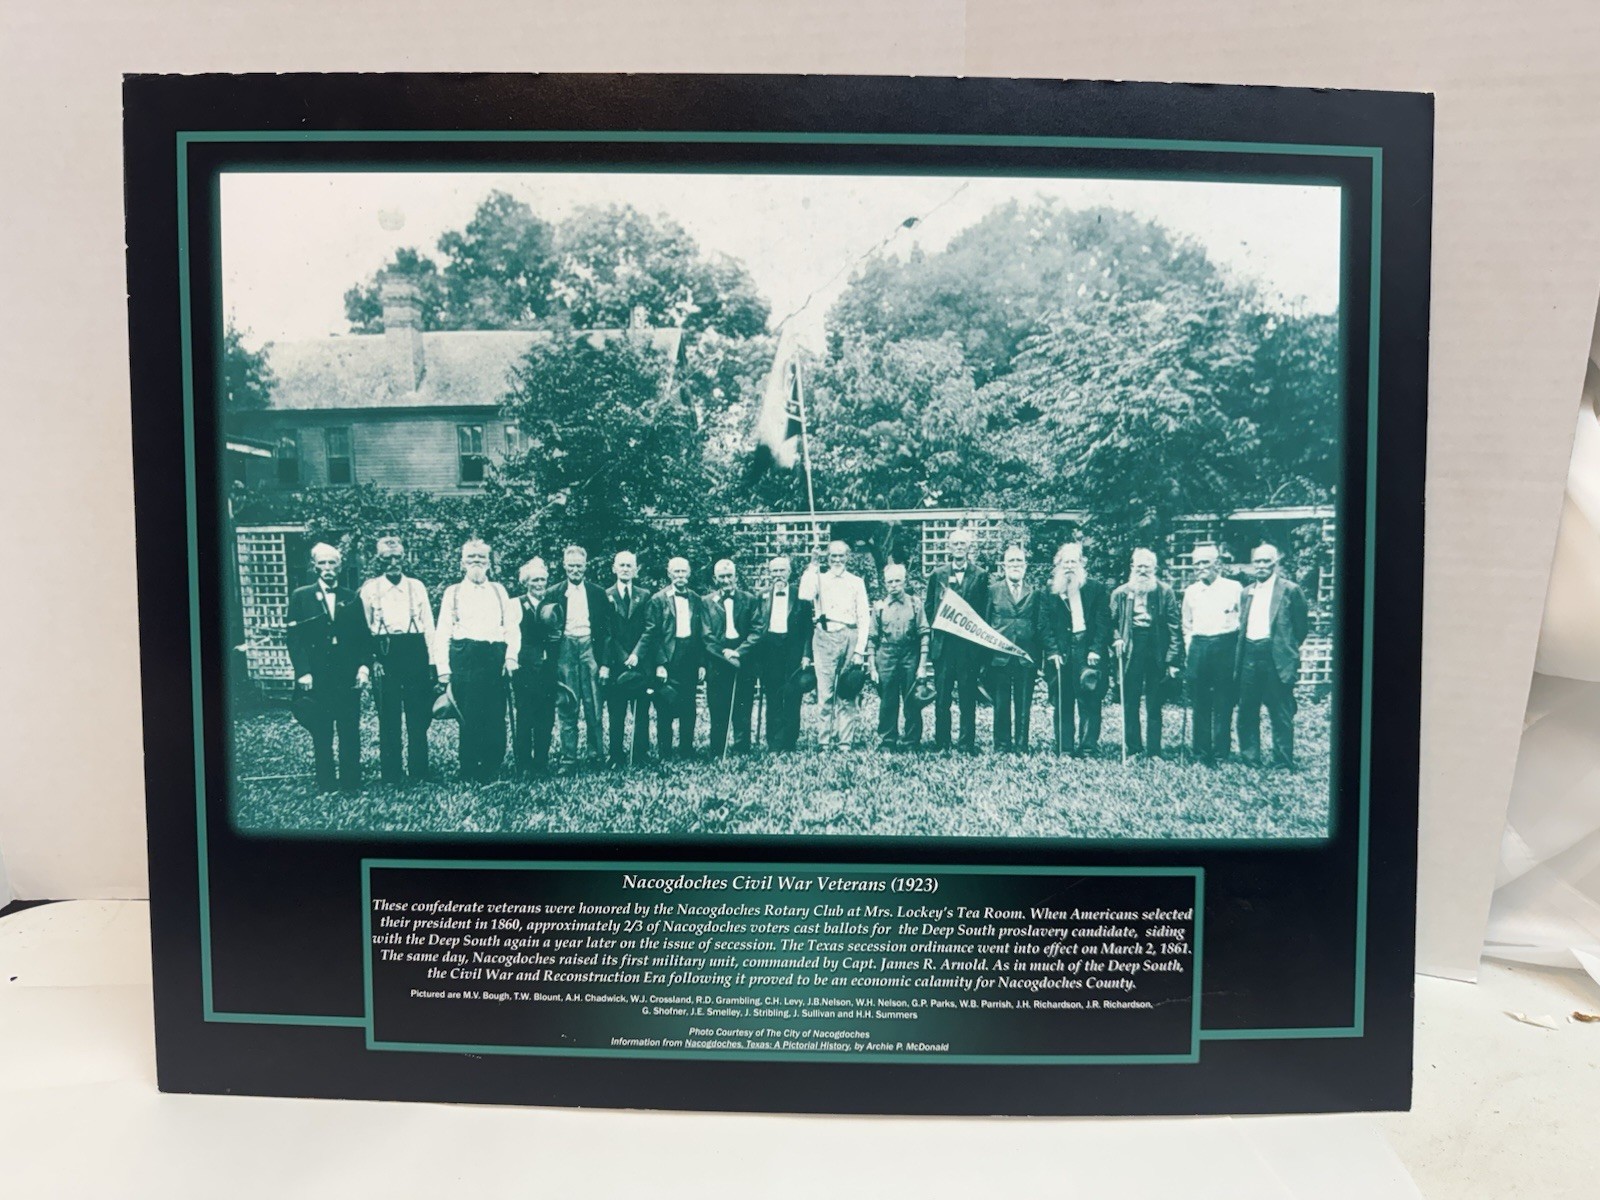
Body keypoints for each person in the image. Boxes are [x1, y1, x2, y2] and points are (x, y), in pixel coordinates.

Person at [285, 543, 372, 793]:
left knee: (349, 728)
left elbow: (363, 637)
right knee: (322, 730)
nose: (327, 568)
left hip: (346, 674)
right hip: (317, 674)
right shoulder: (301, 596)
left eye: (332, 562)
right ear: (314, 567)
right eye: (322, 563)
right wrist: (303, 671)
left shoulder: (351, 597)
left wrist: (363, 668)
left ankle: (351, 782)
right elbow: (294, 639)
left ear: (340, 566)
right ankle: (326, 783)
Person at [431, 539, 519, 782]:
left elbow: (512, 628)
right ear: (462, 563)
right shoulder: (453, 592)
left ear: (489, 563)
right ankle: (469, 767)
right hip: (465, 657)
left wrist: (511, 656)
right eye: (471, 558)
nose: (476, 562)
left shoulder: (499, 591)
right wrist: (443, 669)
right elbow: (443, 631)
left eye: (481, 558)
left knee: (495, 712)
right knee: (469, 713)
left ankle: (492, 764)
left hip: (494, 657)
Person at [357, 535, 436, 785]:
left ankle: (419, 771)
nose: (393, 562)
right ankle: (391, 774)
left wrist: (432, 662)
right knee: (388, 715)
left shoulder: (416, 587)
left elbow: (429, 626)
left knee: (418, 716)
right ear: (378, 560)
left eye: (397, 557)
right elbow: (363, 629)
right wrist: (372, 660)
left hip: (415, 652)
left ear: (404, 558)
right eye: (387, 558)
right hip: (385, 655)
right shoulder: (370, 589)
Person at [1236, 543, 1310, 770]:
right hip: (1249, 654)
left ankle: (1282, 760)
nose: (1261, 566)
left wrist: (1285, 649)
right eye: (1257, 561)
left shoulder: (1290, 590)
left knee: (1280, 711)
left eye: (1266, 561)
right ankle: (1250, 758)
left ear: (1275, 563)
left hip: (1275, 657)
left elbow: (1301, 628)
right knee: (1247, 710)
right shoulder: (1246, 592)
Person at [1110, 548, 1183, 759]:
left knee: (1155, 701)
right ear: (1132, 567)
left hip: (1157, 648)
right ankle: (1134, 748)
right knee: (1130, 700)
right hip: (1131, 648)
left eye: (1147, 567)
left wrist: (1172, 659)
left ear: (1154, 569)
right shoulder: (1120, 593)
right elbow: (1110, 623)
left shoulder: (1165, 592)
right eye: (1139, 566)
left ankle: (1154, 751)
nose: (1142, 570)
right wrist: (1116, 638)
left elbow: (1174, 627)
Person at [799, 541, 872, 749]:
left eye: (841, 556)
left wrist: (859, 650)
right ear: (827, 558)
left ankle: (845, 741)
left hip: (850, 635)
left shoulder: (856, 582)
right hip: (825, 637)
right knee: (825, 693)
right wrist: (813, 564)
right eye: (833, 556)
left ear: (847, 557)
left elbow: (863, 617)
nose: (837, 560)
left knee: (847, 691)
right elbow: (804, 594)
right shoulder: (819, 579)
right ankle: (824, 741)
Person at [1042, 541, 1111, 757]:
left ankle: (1088, 747)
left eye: (1073, 562)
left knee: (1090, 699)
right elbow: (1044, 625)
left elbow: (1103, 623)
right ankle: (1065, 748)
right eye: (1065, 562)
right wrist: (1052, 651)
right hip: (1061, 652)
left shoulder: (1096, 589)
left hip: (1087, 649)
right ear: (1058, 565)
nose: (1069, 566)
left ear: (1081, 564)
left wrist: (1096, 649)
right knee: (1062, 700)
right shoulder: (1050, 591)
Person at [925, 528, 990, 753]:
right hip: (944, 647)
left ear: (969, 547)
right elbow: (929, 607)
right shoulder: (937, 574)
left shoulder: (980, 575)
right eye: (955, 544)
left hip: (968, 649)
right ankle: (942, 742)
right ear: (949, 547)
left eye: (963, 543)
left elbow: (983, 612)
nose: (959, 547)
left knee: (967, 697)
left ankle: (966, 744)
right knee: (942, 698)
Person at [1182, 543, 1244, 766]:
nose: (1200, 567)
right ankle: (1200, 753)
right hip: (1199, 646)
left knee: (1223, 701)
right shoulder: (1191, 591)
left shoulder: (1234, 588)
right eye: (1196, 563)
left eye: (1205, 562)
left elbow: (1242, 620)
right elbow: (1187, 624)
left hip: (1225, 645)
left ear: (1216, 563)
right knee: (1200, 701)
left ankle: (1220, 753)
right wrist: (1190, 649)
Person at [638, 556, 706, 757]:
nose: (680, 575)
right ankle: (665, 750)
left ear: (689, 573)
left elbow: (701, 634)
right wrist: (660, 663)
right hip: (668, 657)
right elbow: (653, 635)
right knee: (664, 705)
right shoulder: (658, 599)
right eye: (676, 571)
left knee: (689, 705)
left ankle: (687, 749)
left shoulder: (696, 599)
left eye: (683, 571)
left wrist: (701, 663)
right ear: (669, 574)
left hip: (690, 657)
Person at [553, 545, 613, 770]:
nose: (575, 570)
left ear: (585, 566)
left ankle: (595, 755)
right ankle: (568, 758)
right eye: (571, 566)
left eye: (579, 566)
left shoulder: (597, 593)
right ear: (564, 566)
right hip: (566, 649)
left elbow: (607, 632)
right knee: (567, 704)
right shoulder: (554, 593)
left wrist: (605, 663)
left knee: (594, 704)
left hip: (590, 647)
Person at [748, 555, 813, 752]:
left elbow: (808, 629)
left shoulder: (800, 596)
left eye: (782, 570)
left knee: (793, 696)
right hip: (770, 653)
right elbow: (756, 628)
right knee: (773, 697)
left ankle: (790, 742)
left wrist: (806, 655)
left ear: (789, 572)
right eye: (774, 571)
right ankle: (774, 742)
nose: (778, 574)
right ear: (770, 573)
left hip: (793, 652)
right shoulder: (761, 596)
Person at [985, 544, 1046, 752]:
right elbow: (986, 622)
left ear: (1025, 566)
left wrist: (1038, 658)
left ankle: (1021, 745)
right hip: (999, 656)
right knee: (1001, 703)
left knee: (1023, 703)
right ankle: (1002, 745)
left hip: (1025, 656)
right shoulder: (993, 591)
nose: (1015, 565)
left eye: (1019, 561)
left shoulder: (1034, 592)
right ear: (1004, 565)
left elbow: (1039, 625)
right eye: (1011, 561)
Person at [702, 559, 761, 756]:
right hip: (717, 662)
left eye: (729, 576)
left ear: (736, 577)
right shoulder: (706, 602)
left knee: (743, 707)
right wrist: (724, 654)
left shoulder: (750, 600)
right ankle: (718, 750)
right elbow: (706, 636)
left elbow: (757, 630)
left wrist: (739, 652)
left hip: (743, 661)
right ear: (715, 579)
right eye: (722, 576)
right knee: (718, 707)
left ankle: (742, 749)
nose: (726, 580)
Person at [869, 562, 931, 749]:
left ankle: (912, 741)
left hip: (909, 653)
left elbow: (924, 634)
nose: (894, 585)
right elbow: (872, 638)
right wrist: (872, 666)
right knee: (888, 700)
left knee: (912, 700)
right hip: (886, 655)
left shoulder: (915, 604)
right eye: (890, 582)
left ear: (904, 581)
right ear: (885, 583)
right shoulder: (879, 607)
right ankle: (888, 740)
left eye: (897, 581)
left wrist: (922, 666)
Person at [511, 557, 563, 777]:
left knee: (546, 716)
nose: (540, 584)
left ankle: (541, 762)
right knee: (525, 715)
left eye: (542, 579)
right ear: (526, 582)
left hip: (547, 668)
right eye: (535, 580)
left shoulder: (551, 605)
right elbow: (511, 636)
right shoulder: (516, 604)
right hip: (524, 668)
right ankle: (524, 763)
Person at [603, 550, 651, 766]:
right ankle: (616, 755)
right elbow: (607, 633)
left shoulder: (645, 595)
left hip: (641, 662)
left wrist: (636, 654)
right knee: (616, 711)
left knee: (641, 711)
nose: (625, 569)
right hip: (617, 663)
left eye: (629, 565)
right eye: (621, 565)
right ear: (614, 568)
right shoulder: (606, 595)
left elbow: (650, 628)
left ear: (636, 570)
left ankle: (640, 754)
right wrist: (624, 656)